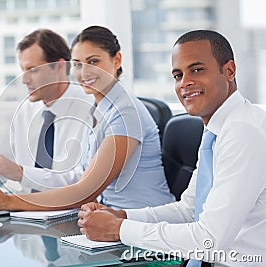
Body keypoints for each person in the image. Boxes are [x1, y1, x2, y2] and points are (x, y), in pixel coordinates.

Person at [77, 30, 266, 266]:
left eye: (197, 70)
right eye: (178, 75)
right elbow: (189, 209)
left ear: (229, 71)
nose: (185, 82)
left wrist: (119, 229)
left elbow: (209, 239)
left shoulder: (243, 132)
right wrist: (123, 216)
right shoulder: (216, 130)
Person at [0, 25, 174, 211]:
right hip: (109, 219)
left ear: (116, 59)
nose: (84, 72)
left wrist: (7, 202)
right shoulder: (97, 109)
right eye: (79, 64)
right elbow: (82, 182)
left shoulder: (125, 112)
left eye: (93, 61)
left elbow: (84, 191)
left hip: (144, 228)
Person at [0, 29, 93, 192]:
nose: (24, 80)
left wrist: (21, 173)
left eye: (32, 70)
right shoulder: (25, 110)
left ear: (59, 67)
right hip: (22, 208)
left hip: (69, 211)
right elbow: (4, 169)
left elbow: (83, 181)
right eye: (23, 71)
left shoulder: (90, 110)